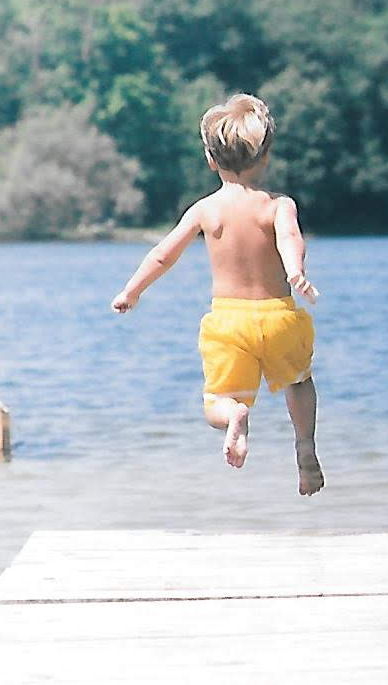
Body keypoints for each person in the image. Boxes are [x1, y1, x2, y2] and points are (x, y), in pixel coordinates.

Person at [111, 93, 324, 496]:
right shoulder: (278, 205)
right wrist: (295, 272)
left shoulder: (205, 210)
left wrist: (131, 290)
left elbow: (163, 255)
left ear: (211, 160)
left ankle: (234, 416)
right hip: (279, 314)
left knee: (216, 400)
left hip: (229, 322)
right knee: (298, 382)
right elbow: (290, 239)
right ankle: (304, 445)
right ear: (265, 157)